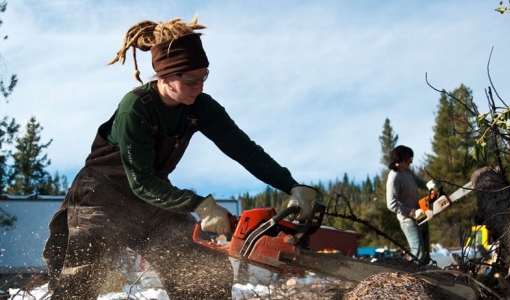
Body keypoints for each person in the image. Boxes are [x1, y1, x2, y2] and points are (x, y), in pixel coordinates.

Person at [42, 15, 316, 300]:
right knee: (80, 283)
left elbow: (244, 149)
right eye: (190, 79)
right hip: (102, 198)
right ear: (164, 76)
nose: (200, 86)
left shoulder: (202, 108)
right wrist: (200, 205)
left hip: (153, 201)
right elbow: (142, 182)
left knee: (204, 266)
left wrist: (291, 185)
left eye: (204, 76)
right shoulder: (135, 108)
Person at [385, 145, 437, 264]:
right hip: (408, 220)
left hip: (421, 216)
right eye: (409, 158)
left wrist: (430, 185)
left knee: (425, 254)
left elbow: (421, 183)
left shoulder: (408, 172)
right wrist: (411, 212)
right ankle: (413, 276)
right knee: (418, 252)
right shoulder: (394, 177)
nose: (411, 161)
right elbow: (391, 204)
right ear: (400, 159)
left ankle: (426, 276)